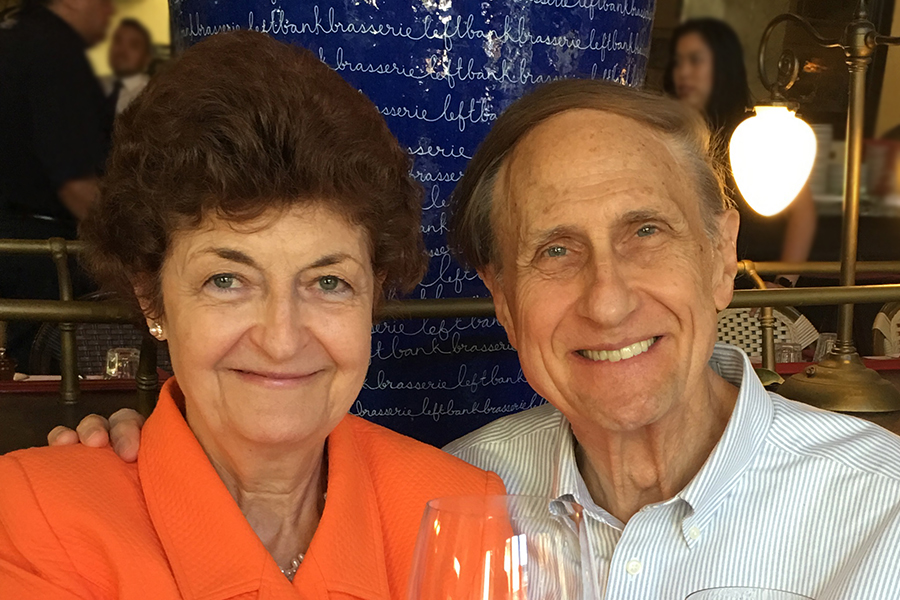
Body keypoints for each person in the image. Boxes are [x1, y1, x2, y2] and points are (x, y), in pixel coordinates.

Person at [56, 79, 900, 599]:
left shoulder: (881, 511)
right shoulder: (455, 498)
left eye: (646, 231)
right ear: (501, 298)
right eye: (555, 250)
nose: (607, 301)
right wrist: (148, 465)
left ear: (722, 256)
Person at [0, 31, 505, 598]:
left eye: (328, 282)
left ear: (373, 296)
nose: (282, 339)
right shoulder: (35, 517)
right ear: (151, 298)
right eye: (227, 280)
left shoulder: (459, 508)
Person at [0, 0, 114, 368]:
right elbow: (76, 183)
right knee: (45, 373)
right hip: (44, 252)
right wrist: (128, 250)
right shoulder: (56, 50)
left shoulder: (12, 34)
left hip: (12, 241)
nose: (111, 13)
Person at [664, 18, 817, 286]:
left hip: (753, 280)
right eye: (679, 61)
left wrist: (783, 283)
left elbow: (803, 215)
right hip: (689, 277)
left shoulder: (758, 131)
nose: (684, 72)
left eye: (696, 60)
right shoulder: (669, 132)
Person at [102, 18, 152, 115]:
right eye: (117, 41)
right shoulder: (96, 84)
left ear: (147, 59)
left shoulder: (149, 96)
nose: (122, 50)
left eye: (134, 45)